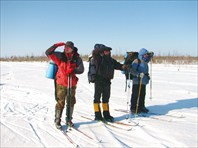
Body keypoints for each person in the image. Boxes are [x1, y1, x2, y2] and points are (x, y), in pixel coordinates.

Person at [45, 41, 84, 129]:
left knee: (71, 102)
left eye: (68, 47)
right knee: (60, 102)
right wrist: (56, 45)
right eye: (65, 47)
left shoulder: (77, 58)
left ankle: (69, 120)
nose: (66, 48)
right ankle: (57, 120)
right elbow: (48, 52)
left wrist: (73, 70)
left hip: (72, 84)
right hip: (61, 84)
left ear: (72, 49)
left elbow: (81, 69)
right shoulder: (60, 56)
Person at [90, 44, 128, 122]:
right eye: (106, 51)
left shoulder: (111, 60)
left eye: (108, 51)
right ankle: (97, 115)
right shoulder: (97, 59)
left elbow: (118, 65)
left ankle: (106, 114)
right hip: (98, 80)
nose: (108, 52)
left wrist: (124, 67)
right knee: (97, 98)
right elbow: (95, 56)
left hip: (107, 81)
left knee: (106, 98)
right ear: (102, 52)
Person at [130, 48, 154, 114]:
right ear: (142, 55)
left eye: (147, 55)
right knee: (135, 95)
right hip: (137, 81)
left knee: (142, 94)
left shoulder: (145, 61)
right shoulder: (137, 61)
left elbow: (150, 57)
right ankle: (133, 108)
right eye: (145, 55)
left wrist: (151, 55)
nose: (147, 56)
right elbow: (131, 70)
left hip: (143, 81)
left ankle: (141, 106)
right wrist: (138, 74)